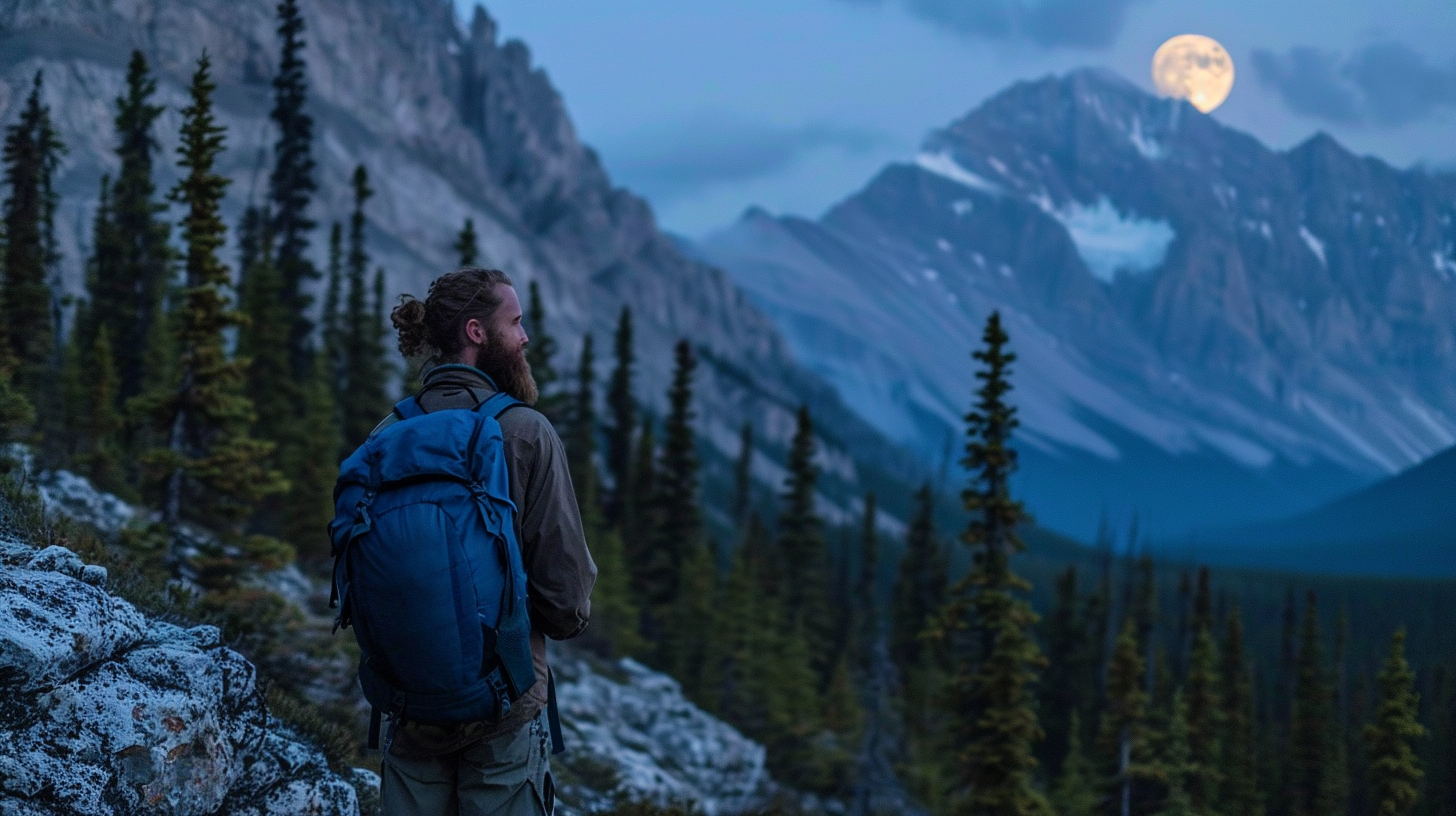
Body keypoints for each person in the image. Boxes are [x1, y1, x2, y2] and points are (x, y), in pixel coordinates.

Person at [376, 266, 596, 816]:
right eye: (515, 323)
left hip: (408, 699)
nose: (524, 338)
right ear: (477, 333)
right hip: (506, 704)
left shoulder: (387, 433)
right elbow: (566, 602)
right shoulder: (524, 431)